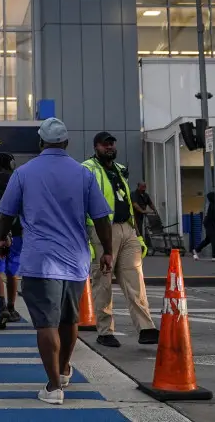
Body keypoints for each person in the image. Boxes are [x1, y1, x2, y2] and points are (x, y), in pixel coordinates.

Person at [0, 118, 114, 405]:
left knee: (46, 324)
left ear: (41, 143)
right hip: (75, 259)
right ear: (67, 143)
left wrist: (2, 239)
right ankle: (62, 371)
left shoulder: (23, 173)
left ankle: (52, 386)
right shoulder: (83, 174)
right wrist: (108, 251)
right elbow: (100, 217)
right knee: (69, 319)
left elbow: (6, 214)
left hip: (41, 259)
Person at [83, 132, 157, 348]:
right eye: (105, 145)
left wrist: (136, 233)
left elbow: (124, 200)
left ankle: (146, 328)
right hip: (102, 230)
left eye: (112, 144)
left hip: (127, 229)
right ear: (96, 146)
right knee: (103, 282)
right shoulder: (87, 169)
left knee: (135, 281)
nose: (110, 148)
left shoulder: (119, 170)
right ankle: (105, 331)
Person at [0, 152, 24, 329]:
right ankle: (11, 307)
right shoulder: (18, 183)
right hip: (18, 233)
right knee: (13, 271)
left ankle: (1, 306)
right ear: (11, 165)